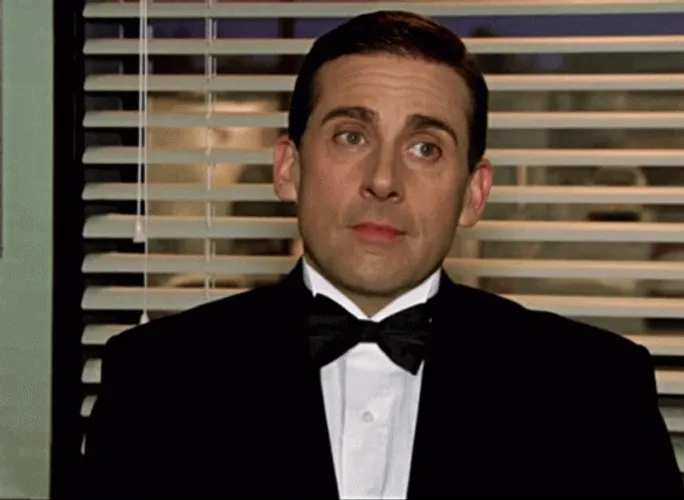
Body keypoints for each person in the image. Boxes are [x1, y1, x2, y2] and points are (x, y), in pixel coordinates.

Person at [82, 10, 683, 499]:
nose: (383, 179)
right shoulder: (155, 383)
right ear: (289, 168)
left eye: (425, 148)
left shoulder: (595, 392)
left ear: (474, 193)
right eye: (351, 136)